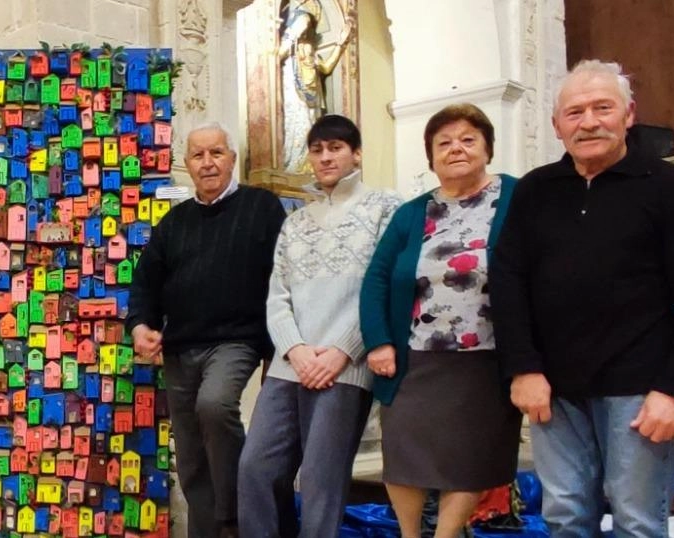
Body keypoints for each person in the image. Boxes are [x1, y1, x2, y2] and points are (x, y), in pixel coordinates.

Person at [490, 59, 674, 537]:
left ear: (628, 114)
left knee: (637, 521)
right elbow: (507, 280)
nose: (588, 121)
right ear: (556, 125)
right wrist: (522, 368)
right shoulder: (534, 190)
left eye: (602, 108)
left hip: (639, 391)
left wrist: (670, 389)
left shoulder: (664, 187)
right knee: (565, 517)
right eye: (574, 112)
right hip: (555, 390)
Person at [360, 103, 522, 538]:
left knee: (470, 462)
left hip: (488, 359)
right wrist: (378, 341)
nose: (456, 149)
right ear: (430, 157)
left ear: (488, 147)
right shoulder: (412, 213)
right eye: (443, 143)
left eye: (468, 139)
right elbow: (377, 277)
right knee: (404, 456)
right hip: (416, 358)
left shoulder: (517, 197)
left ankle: (446, 535)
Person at [238, 115, 401, 537]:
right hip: (291, 363)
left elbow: (382, 289)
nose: (326, 157)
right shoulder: (296, 222)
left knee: (320, 477)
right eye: (317, 149)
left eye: (336, 148)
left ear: (356, 153)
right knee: (256, 467)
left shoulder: (385, 207)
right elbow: (278, 296)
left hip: (345, 364)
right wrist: (295, 350)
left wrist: (343, 351)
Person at [127, 122, 286, 538]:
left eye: (216, 153)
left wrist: (278, 350)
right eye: (198, 155)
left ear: (232, 159)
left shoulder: (262, 207)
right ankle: (207, 529)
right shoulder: (173, 222)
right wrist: (140, 325)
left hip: (237, 339)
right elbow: (145, 282)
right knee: (191, 452)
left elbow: (282, 276)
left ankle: (233, 517)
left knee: (214, 406)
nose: (208, 162)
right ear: (187, 166)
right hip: (180, 347)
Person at [278, 0, 352, 174]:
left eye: (308, 22)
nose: (307, 25)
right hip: (294, 94)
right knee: (296, 126)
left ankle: (307, 165)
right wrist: (291, 36)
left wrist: (340, 44)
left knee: (310, 126)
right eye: (304, 21)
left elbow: (325, 68)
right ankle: (294, 167)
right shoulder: (291, 54)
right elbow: (278, 54)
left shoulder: (311, 51)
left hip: (312, 99)